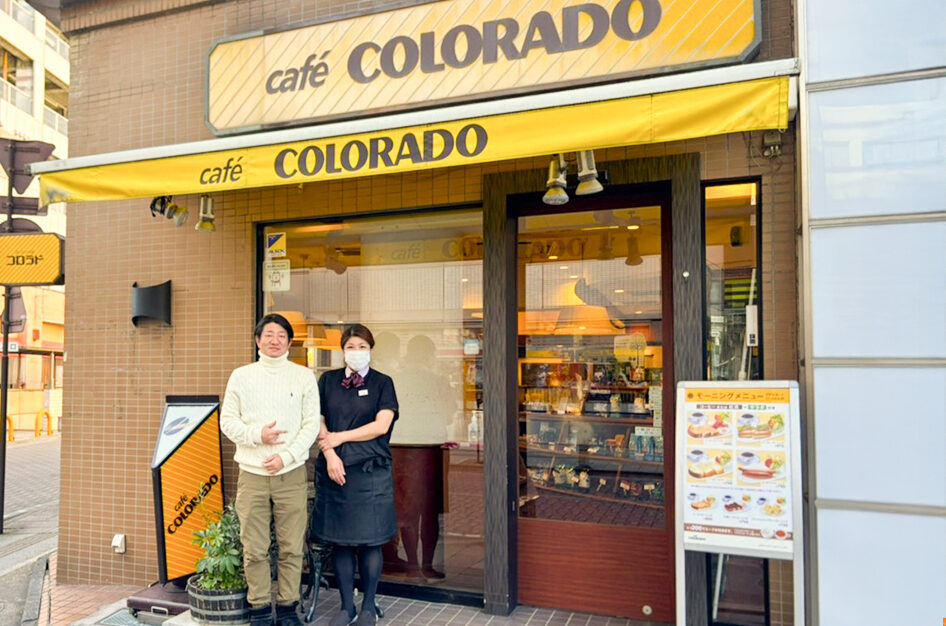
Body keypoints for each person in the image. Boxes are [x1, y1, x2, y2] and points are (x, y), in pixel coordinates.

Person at [220, 313, 320, 626]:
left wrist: (286, 456)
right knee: (254, 548)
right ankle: (260, 609)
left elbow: (311, 425)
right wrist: (258, 436)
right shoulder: (241, 376)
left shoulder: (303, 377)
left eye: (281, 335)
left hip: (291, 474)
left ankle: (288, 608)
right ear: (257, 340)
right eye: (269, 335)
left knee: (291, 548)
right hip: (252, 475)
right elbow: (227, 421)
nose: (275, 340)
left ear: (289, 342)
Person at [314, 324, 398, 626]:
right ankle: (346, 607)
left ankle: (368, 606)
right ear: (342, 350)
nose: (357, 351)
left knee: (371, 540)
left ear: (370, 349)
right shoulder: (328, 381)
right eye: (351, 346)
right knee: (342, 541)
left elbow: (381, 425)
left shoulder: (383, 383)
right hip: (335, 469)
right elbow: (317, 420)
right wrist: (330, 453)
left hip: (370, 472)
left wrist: (340, 437)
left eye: (362, 346)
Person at [387, 334, 452, 581]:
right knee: (430, 510)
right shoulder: (438, 380)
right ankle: (427, 565)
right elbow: (449, 414)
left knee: (408, 511)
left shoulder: (396, 379)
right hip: (431, 448)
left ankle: (414, 565)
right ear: (429, 355)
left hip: (401, 448)